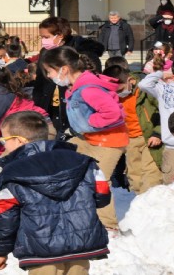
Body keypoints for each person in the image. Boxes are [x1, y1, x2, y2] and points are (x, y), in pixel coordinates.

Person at [0, 111, 110, 274]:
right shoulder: (84, 162)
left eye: (4, 140)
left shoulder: (10, 175)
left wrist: (1, 251)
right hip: (82, 244)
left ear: (19, 141)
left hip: (40, 249)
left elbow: (4, 217)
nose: (4, 145)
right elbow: (102, 196)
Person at [41, 46, 128, 231]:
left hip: (109, 141)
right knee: (62, 159)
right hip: (90, 138)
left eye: (49, 71)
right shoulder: (74, 87)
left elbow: (114, 114)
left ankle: (108, 226)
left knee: (99, 180)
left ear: (64, 69)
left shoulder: (89, 89)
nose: (49, 76)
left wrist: (89, 121)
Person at [32, 17, 105, 139]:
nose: (43, 41)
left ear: (59, 35)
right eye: (42, 37)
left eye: (46, 37)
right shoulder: (45, 52)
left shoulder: (81, 53)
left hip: (73, 108)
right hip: (49, 106)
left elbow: (92, 81)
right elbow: (40, 81)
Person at [103, 65, 163, 194]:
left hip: (149, 136)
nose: (118, 94)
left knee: (150, 173)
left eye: (121, 90)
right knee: (134, 174)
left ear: (130, 80)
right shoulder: (111, 95)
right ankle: (139, 201)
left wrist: (158, 133)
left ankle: (151, 202)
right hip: (129, 139)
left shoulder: (147, 90)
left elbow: (164, 112)